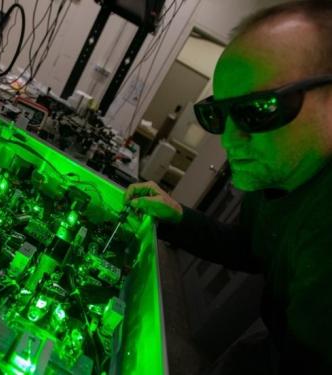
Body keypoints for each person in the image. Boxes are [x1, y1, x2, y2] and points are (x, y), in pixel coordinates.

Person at [125, 1, 332, 374]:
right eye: (217, 114)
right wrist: (178, 216)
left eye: (261, 108)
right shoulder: (283, 175)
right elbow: (250, 247)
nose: (231, 141)